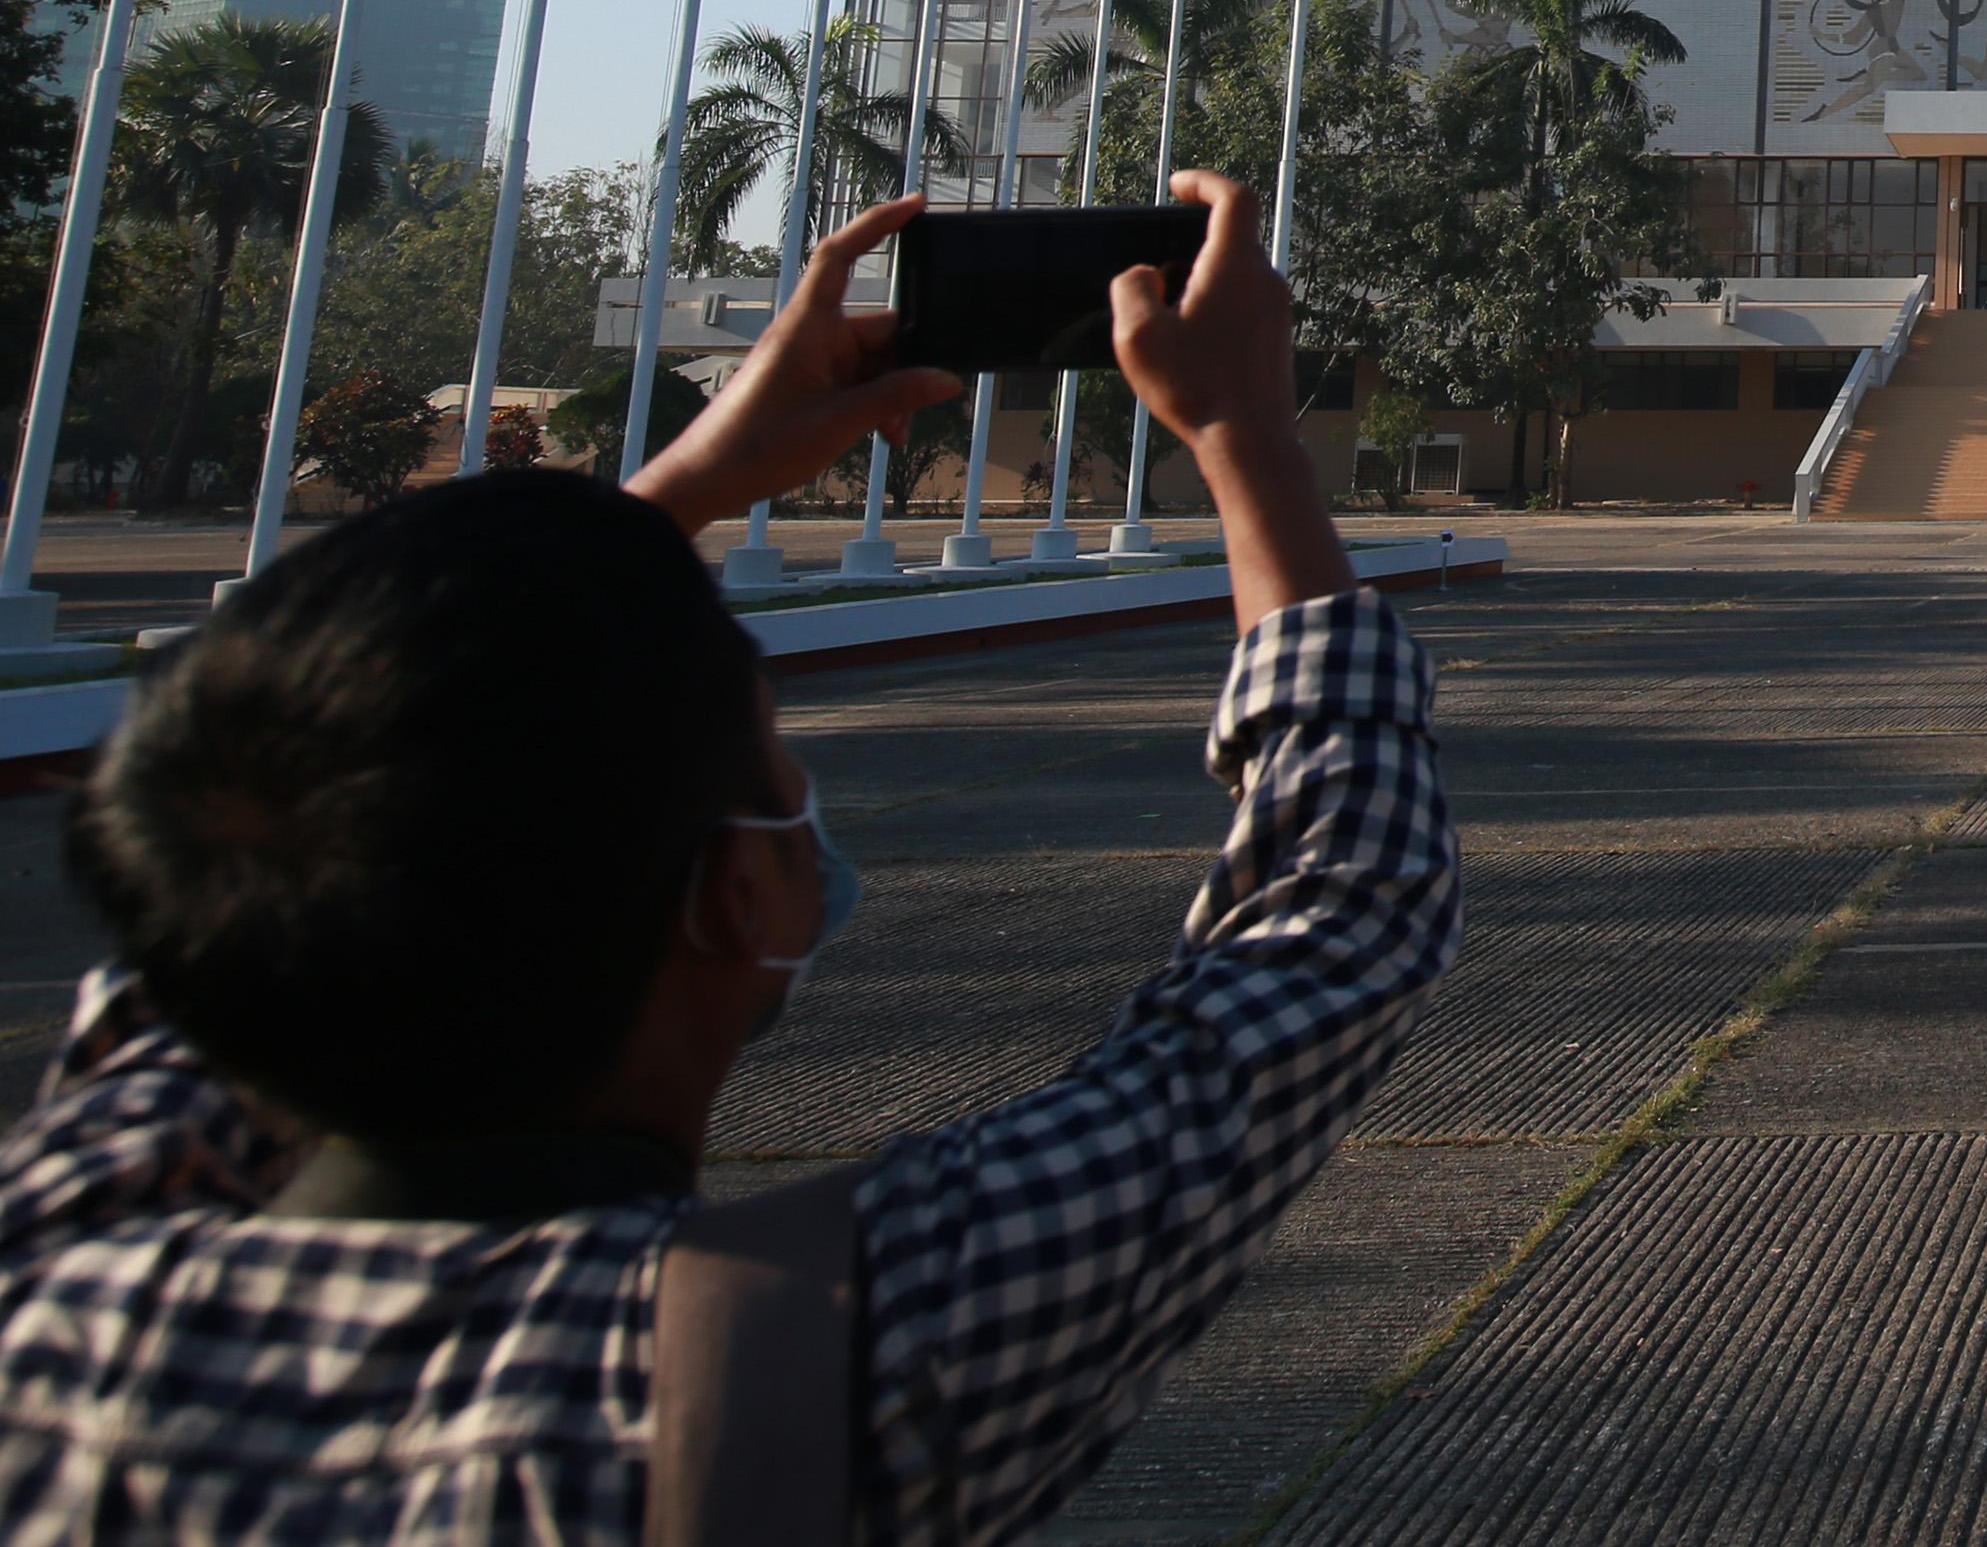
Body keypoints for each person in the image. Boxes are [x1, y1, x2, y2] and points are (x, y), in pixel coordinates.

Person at [0, 170, 1455, 1541]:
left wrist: (682, 483)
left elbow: (309, 794)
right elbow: (1332, 915)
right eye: (772, 757)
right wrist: (1245, 431)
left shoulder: (60, 1273)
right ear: (735, 894)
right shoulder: (834, 1346)